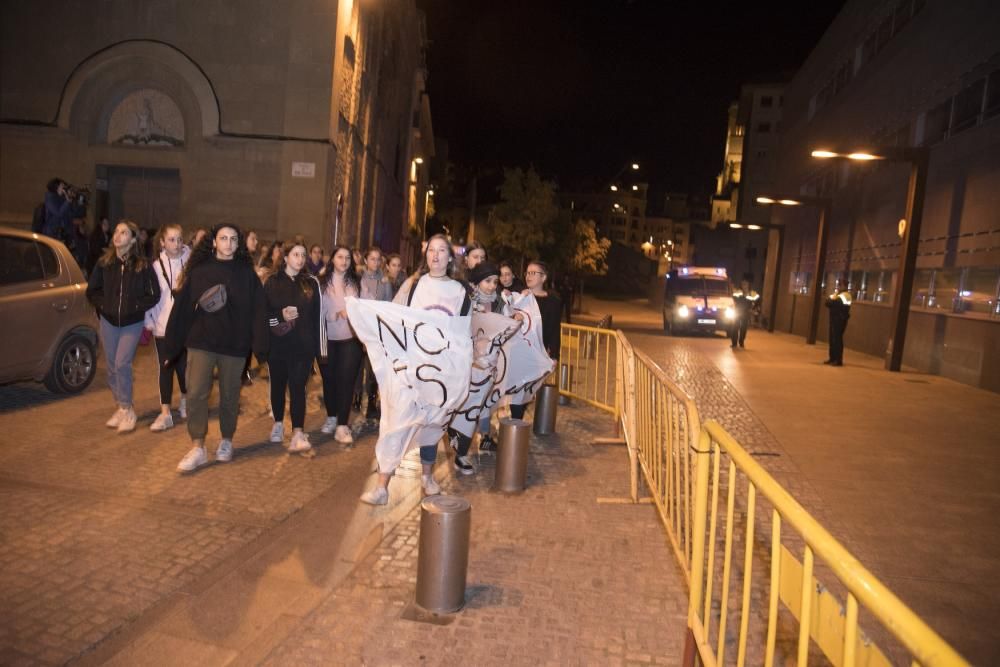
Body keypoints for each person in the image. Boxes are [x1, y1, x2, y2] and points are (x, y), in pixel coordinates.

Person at [360, 234, 471, 505]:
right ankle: (382, 485)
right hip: (410, 368)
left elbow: (462, 332)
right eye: (431, 250)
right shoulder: (413, 285)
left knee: (433, 423)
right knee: (397, 421)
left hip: (439, 370)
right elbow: (394, 317)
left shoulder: (459, 292)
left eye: (441, 250)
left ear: (449, 257)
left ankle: (427, 476)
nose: (435, 255)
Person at [166, 224, 268, 472]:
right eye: (223, 238)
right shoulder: (200, 271)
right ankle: (198, 446)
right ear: (214, 242)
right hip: (202, 342)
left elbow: (258, 310)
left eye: (234, 238)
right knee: (197, 393)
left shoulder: (246, 274)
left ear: (238, 244)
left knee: (230, 396)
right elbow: (182, 309)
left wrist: (260, 346)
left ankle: (226, 440)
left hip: (234, 345)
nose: (228, 243)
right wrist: (172, 345)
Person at [86, 220, 161, 433]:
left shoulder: (142, 265)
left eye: (124, 232)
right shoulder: (104, 263)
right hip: (108, 321)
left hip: (132, 322)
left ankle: (128, 409)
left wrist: (136, 306)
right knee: (111, 366)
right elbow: (92, 291)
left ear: (133, 239)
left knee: (122, 363)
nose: (118, 235)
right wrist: (105, 305)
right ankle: (120, 405)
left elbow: (154, 294)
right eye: (116, 232)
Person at [448, 260, 514, 468]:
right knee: (466, 407)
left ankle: (460, 449)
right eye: (487, 281)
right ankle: (459, 448)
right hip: (466, 364)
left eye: (495, 281)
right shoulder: (465, 301)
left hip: (489, 367)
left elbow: (506, 329)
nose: (492, 285)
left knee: (475, 408)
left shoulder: (500, 303)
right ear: (476, 282)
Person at [265, 242, 325, 453]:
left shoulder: (310, 283)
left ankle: (298, 431)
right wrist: (280, 317)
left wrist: (320, 351)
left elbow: (318, 318)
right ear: (285, 257)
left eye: (303, 255)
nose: (300, 259)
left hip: (303, 347)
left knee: (298, 387)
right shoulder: (272, 282)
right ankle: (278, 423)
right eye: (295, 254)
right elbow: (264, 317)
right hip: (278, 345)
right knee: (278, 386)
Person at [146, 223, 190, 431]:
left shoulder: (189, 264)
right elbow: (151, 298)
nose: (177, 244)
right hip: (162, 326)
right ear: (163, 242)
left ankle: (184, 399)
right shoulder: (155, 267)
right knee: (165, 368)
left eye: (180, 239)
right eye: (172, 239)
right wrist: (150, 321)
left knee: (183, 368)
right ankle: (165, 413)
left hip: (183, 327)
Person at [318, 245, 364, 444]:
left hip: (350, 340)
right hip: (326, 339)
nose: (344, 261)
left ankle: (342, 425)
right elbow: (315, 309)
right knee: (329, 380)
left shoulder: (356, 282)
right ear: (332, 259)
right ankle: (331, 416)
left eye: (347, 258)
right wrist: (335, 315)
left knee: (346, 381)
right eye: (340, 257)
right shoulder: (321, 282)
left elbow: (367, 304)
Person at [509, 260, 562, 420]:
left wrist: (554, 355)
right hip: (519, 351)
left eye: (533, 273)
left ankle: (517, 423)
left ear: (543, 277)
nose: (529, 276)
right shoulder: (521, 297)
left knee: (528, 389)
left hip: (538, 351)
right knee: (517, 388)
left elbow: (554, 329)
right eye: (527, 273)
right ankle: (515, 423)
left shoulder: (553, 301)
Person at [358, 246, 393, 419]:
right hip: (358, 328)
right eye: (372, 258)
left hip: (377, 330)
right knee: (358, 367)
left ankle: (372, 402)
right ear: (365, 260)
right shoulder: (359, 279)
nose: (375, 262)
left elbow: (388, 305)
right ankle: (356, 397)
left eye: (378, 259)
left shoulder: (385, 281)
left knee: (374, 368)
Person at [824, 281, 852, 366]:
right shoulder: (837, 294)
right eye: (838, 285)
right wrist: (832, 301)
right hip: (834, 319)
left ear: (845, 286)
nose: (839, 287)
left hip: (840, 320)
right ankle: (832, 358)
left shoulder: (847, 295)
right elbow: (827, 302)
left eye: (840, 285)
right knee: (832, 340)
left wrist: (832, 301)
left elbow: (835, 303)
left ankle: (838, 360)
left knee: (837, 340)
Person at [730, 279, 760, 349]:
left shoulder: (752, 293)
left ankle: (741, 342)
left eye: (745, 284)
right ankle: (734, 343)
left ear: (748, 285)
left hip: (746, 313)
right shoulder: (737, 292)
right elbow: (733, 299)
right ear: (741, 285)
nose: (744, 286)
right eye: (743, 284)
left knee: (743, 328)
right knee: (735, 327)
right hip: (737, 312)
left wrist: (753, 308)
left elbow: (758, 301)